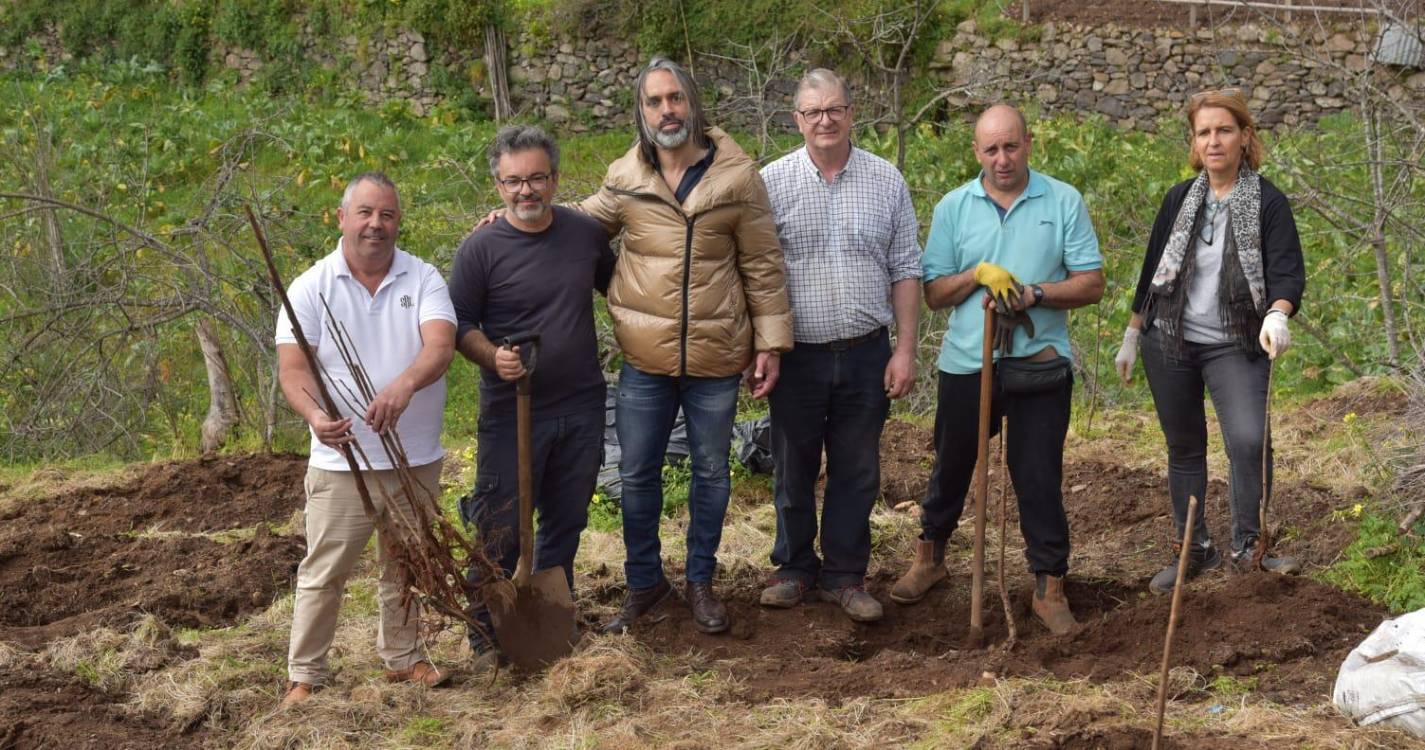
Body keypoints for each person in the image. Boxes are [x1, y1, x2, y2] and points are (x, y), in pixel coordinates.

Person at [584, 57, 793, 635]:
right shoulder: (625, 178)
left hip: (716, 358)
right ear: (641, 111)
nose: (666, 110)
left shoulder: (736, 176)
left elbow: (762, 263)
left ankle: (701, 581)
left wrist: (770, 343)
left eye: (674, 98)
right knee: (637, 475)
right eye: (654, 101)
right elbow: (578, 229)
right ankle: (644, 583)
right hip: (644, 361)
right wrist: (512, 220)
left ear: (693, 102)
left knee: (710, 473)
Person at [896, 104, 1105, 635]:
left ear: (1029, 143)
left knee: (1038, 475)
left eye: (1011, 146)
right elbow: (935, 291)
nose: (1002, 158)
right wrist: (978, 275)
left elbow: (1091, 283)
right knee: (951, 465)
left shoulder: (1063, 201)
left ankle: (1049, 585)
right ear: (976, 152)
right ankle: (931, 558)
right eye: (991, 149)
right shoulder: (953, 207)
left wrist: (1035, 293)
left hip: (1040, 366)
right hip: (968, 364)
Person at [1114, 88, 1305, 595]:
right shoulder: (1180, 198)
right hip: (1170, 340)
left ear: (1245, 137)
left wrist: (1278, 314)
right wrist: (1134, 334)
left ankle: (1251, 548)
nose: (1214, 141)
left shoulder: (1267, 201)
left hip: (1236, 341)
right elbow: (1153, 269)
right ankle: (1193, 548)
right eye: (1204, 132)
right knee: (1184, 447)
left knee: (1247, 439)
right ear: (1195, 144)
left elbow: (1287, 273)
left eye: (1224, 130)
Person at [278, 172, 457, 706]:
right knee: (325, 570)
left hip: (415, 458)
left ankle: (403, 659)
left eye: (387, 215)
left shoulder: (423, 278)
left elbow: (440, 346)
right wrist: (315, 415)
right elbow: (293, 369)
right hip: (341, 463)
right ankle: (306, 674)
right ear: (341, 218)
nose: (376, 224)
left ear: (398, 222)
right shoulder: (311, 286)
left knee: (405, 565)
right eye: (365, 213)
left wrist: (403, 385)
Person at [757, 68, 921, 623]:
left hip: (866, 351)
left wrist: (905, 349)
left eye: (834, 109)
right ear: (796, 120)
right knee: (792, 466)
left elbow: (905, 269)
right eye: (812, 112)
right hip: (795, 354)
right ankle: (795, 569)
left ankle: (847, 576)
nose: (824, 120)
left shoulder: (886, 180)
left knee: (856, 469)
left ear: (852, 113)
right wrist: (763, 346)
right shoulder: (771, 182)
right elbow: (755, 271)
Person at [447, 125, 615, 668]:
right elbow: (459, 324)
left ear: (555, 179)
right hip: (511, 410)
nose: (526, 191)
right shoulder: (481, 249)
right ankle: (482, 634)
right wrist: (492, 355)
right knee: (499, 525)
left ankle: (548, 615)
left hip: (582, 405)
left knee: (566, 520)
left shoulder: (583, 234)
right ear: (498, 186)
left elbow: (621, 284)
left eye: (537, 178)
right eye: (514, 181)